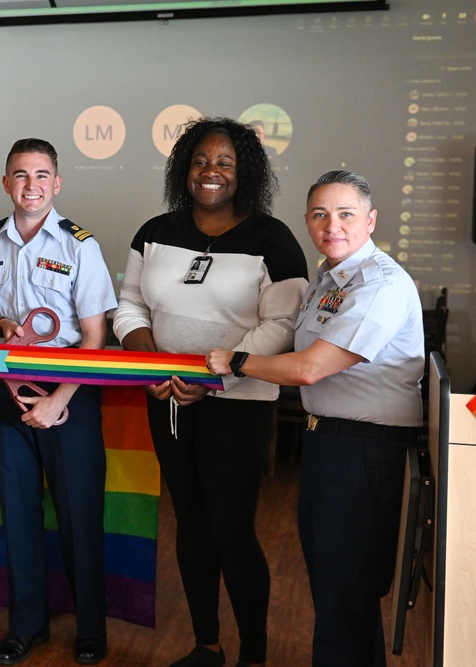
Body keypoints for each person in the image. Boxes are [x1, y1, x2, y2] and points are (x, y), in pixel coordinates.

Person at [112, 117, 308, 667]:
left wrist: (213, 378)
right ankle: (207, 646)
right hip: (167, 400)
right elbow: (130, 306)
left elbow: (282, 326)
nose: (211, 172)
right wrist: (152, 362)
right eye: (200, 161)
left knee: (232, 529)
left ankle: (253, 655)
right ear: (184, 168)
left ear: (244, 172)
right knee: (191, 525)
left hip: (238, 406)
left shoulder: (274, 239)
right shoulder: (154, 230)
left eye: (225, 162)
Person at [207, 171, 424, 667]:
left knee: (346, 590)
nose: (333, 225)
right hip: (330, 446)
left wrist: (235, 362)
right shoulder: (329, 278)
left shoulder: (380, 285)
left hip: (366, 451)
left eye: (346, 214)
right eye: (320, 214)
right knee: (337, 590)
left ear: (371, 220)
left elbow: (308, 368)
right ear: (307, 220)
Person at [0, 138, 117, 665]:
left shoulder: (79, 246)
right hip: (4, 389)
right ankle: (27, 625)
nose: (31, 185)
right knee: (17, 512)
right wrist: (1, 324)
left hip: (69, 391)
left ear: (57, 183)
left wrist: (59, 400)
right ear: (6, 183)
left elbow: (95, 338)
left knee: (79, 513)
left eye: (42, 175)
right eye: (20, 175)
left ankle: (91, 629)